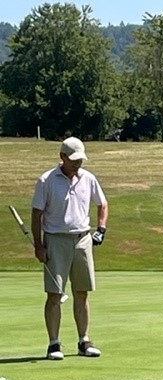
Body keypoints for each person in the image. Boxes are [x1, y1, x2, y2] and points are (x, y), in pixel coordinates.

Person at [31, 136, 109, 360]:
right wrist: (39, 245)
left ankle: (84, 341)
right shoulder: (46, 180)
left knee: (82, 292)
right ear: (62, 157)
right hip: (56, 240)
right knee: (55, 294)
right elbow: (37, 214)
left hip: (83, 240)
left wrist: (101, 228)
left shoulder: (88, 178)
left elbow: (102, 203)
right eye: (73, 160)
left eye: (80, 159)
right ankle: (54, 344)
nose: (78, 163)